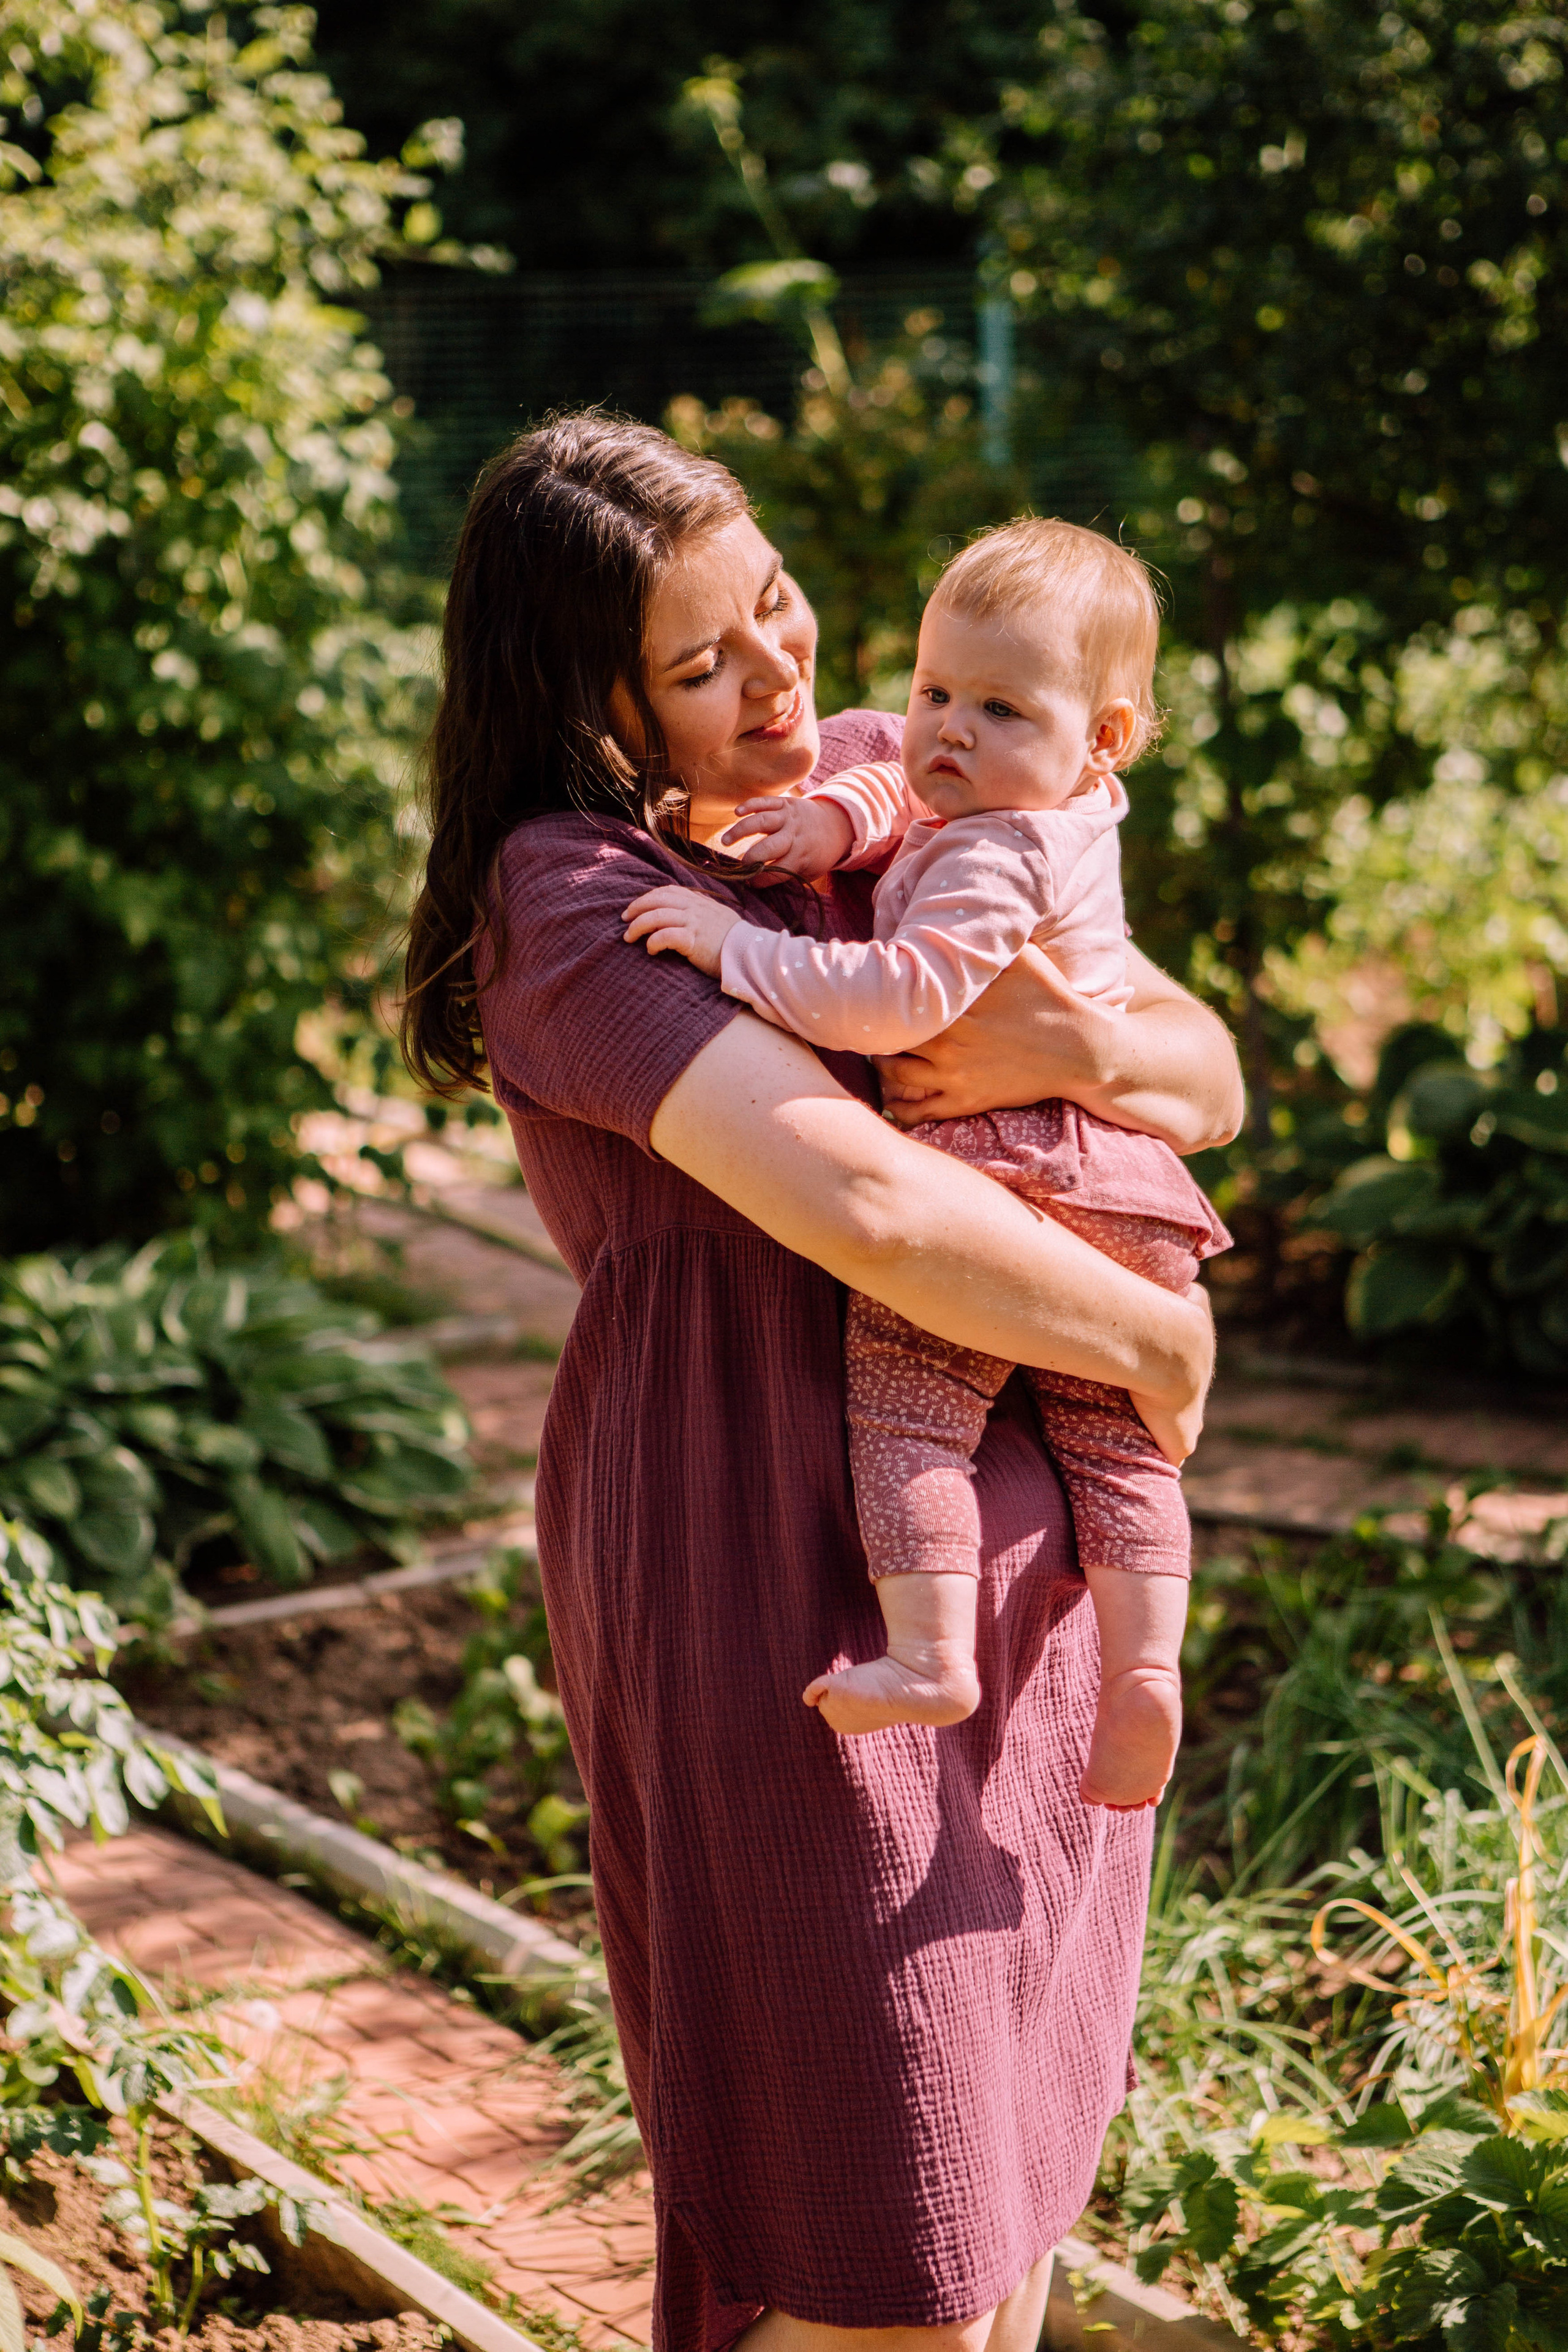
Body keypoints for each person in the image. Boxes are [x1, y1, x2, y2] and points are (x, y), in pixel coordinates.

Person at [401, 415, 1243, 2352]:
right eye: (704, 665)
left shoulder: (894, 772)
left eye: (774, 606)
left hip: (1013, 1572)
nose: (783, 676)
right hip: (766, 1569)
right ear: (591, 706)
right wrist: (1154, 1335)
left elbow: (1204, 1066)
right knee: (886, 2245)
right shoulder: (571, 897)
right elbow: (862, 1201)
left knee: (1008, 2210)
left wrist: (1077, 1049)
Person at [620, 518, 1229, 1811]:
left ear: (1105, 736)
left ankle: (929, 1652)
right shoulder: (1042, 800)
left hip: (1010, 1169)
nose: (947, 731)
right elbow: (908, 797)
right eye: (933, 690)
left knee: (909, 1405)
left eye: (997, 708)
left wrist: (737, 949)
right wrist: (832, 821)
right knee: (1115, 1443)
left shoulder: (1002, 854)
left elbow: (899, 999)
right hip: (1126, 1184)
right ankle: (1146, 1667)